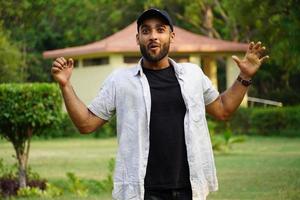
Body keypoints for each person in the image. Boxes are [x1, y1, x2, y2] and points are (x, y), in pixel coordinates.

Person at [51, 8, 269, 200]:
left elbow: (223, 110)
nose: (153, 36)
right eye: (145, 31)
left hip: (188, 189)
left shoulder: (193, 75)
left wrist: (244, 76)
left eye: (160, 30)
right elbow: (86, 124)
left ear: (171, 36)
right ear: (137, 38)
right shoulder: (120, 81)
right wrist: (65, 86)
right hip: (142, 191)